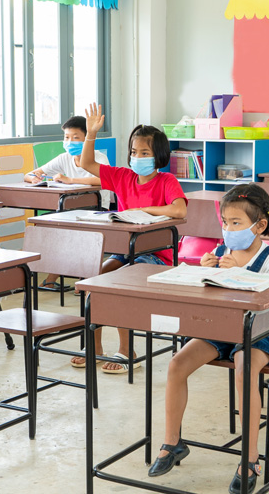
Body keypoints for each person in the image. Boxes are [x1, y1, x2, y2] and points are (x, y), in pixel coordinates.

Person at [147, 183, 269, 494]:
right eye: (225, 222)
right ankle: (173, 442)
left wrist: (241, 273)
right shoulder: (223, 252)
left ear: (260, 225)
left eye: (235, 223)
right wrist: (206, 271)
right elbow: (213, 299)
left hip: (260, 333)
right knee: (177, 364)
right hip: (222, 330)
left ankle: (250, 459)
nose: (227, 229)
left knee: (243, 367)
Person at [72, 103, 187, 374]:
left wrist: (144, 210)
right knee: (95, 280)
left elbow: (179, 209)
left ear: (157, 155)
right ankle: (94, 347)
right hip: (126, 251)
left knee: (120, 283)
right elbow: (87, 163)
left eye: (144, 153)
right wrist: (91, 134)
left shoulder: (166, 181)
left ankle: (126, 349)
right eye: (134, 152)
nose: (137, 157)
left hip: (156, 256)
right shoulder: (123, 176)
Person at [24, 115, 110, 290]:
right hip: (70, 208)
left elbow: (104, 180)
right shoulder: (64, 158)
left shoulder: (98, 158)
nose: (70, 141)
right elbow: (29, 174)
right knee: (44, 226)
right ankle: (47, 279)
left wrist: (71, 180)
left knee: (70, 230)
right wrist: (34, 178)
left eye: (75, 137)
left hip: (97, 209)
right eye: (66, 137)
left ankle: (86, 284)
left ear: (88, 138)